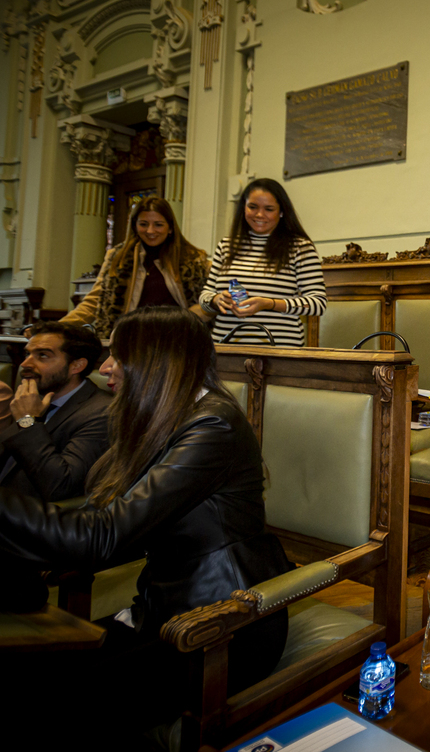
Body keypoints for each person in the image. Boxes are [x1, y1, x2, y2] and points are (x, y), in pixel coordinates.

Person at [0, 307, 291, 743]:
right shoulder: (160, 416)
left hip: (224, 625)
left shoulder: (213, 425)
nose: (106, 368)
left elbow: (103, 535)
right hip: (164, 608)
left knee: (48, 709)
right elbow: (104, 522)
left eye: (119, 354)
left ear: (159, 360)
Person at [62, 196, 210, 339]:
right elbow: (95, 300)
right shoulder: (117, 256)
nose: (150, 231)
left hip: (176, 339)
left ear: (170, 228)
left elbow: (206, 303)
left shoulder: (194, 259)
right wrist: (60, 327)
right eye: (143, 224)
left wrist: (184, 322)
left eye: (158, 224)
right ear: (134, 225)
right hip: (128, 339)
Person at [200, 178, 326, 346]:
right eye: (252, 207)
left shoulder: (300, 248)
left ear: (281, 212)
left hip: (279, 349)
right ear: (243, 208)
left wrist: (269, 303)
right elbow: (205, 296)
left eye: (269, 209)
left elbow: (317, 303)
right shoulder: (226, 245)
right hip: (225, 347)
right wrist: (216, 300)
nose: (259, 215)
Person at [0, 321, 110, 501]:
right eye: (27, 354)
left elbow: (61, 486)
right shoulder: (32, 397)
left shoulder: (101, 413)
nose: (25, 364)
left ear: (77, 366)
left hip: (30, 521)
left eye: (42, 355)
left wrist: (27, 421)